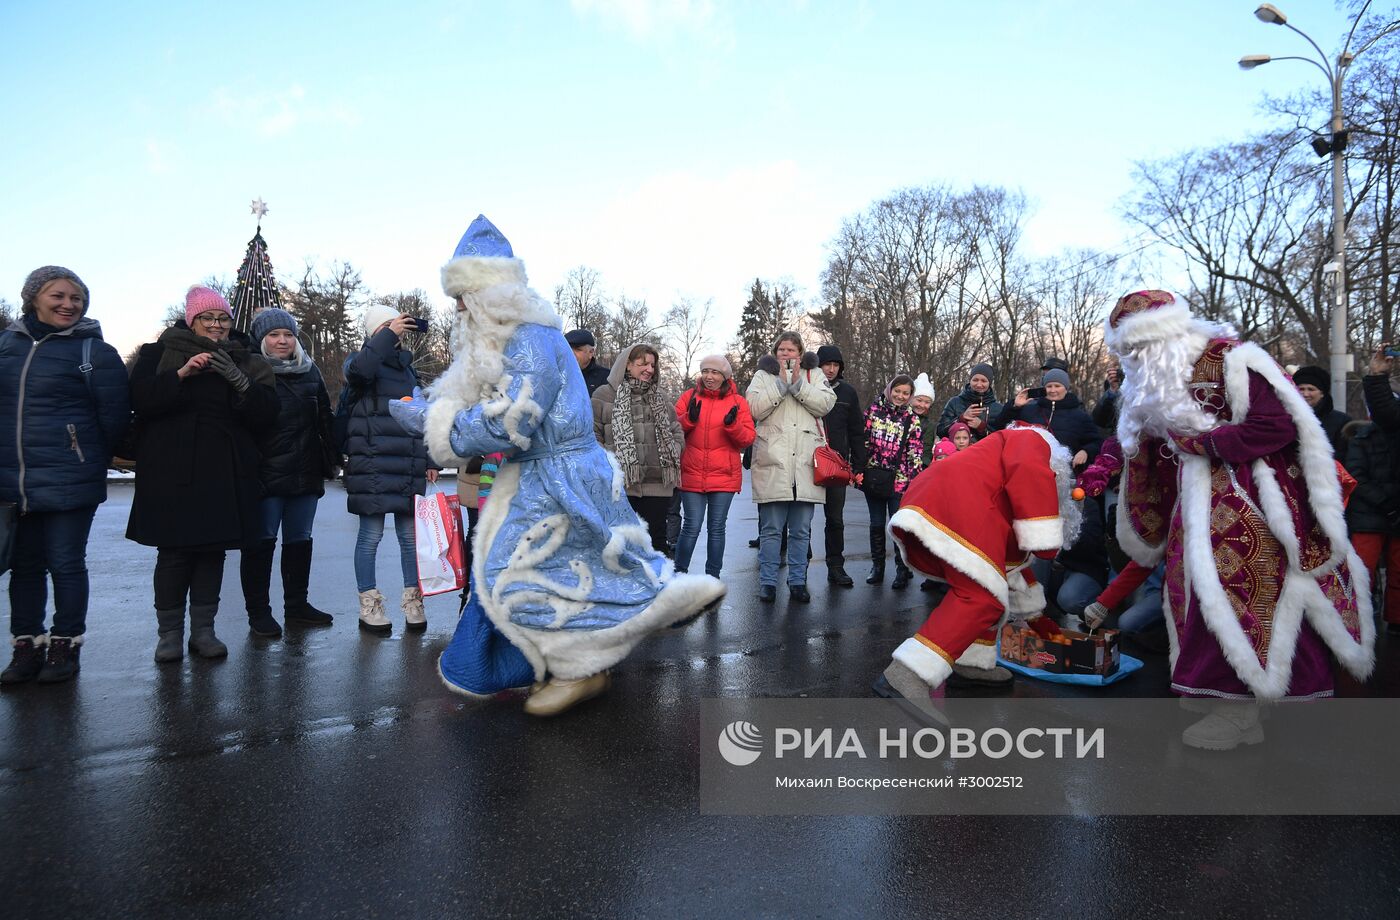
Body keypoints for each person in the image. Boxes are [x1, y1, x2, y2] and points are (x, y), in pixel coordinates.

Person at [391, 214, 725, 716]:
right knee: (568, 568)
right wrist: (438, 407)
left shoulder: (525, 337)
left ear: (488, 293)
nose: (458, 308)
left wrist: (433, 424)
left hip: (555, 477)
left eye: (463, 296)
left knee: (521, 574)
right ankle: (599, 649)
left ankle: (590, 657)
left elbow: (511, 420)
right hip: (550, 474)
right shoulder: (513, 337)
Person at [1105, 289, 1373, 749]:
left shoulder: (1232, 360)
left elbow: (1279, 425)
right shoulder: (1156, 380)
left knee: (1239, 597)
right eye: (1129, 352)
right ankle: (1225, 702)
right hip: (1190, 513)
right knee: (1193, 599)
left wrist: (1205, 444)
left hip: (1249, 505)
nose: (1138, 359)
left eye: (1142, 347)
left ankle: (1238, 709)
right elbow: (1149, 442)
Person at [874, 424, 1080, 707]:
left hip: (942, 500)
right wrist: (1045, 536)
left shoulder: (996, 469)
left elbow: (1009, 569)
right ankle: (909, 673)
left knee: (988, 587)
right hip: (958, 505)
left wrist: (1037, 618)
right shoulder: (1032, 440)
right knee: (982, 597)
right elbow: (1030, 472)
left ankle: (972, 662)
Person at [126, 286, 278, 663]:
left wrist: (240, 382)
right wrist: (179, 376)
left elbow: (268, 416)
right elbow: (141, 401)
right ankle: (169, 634)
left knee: (212, 552)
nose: (215, 326)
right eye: (207, 318)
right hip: (170, 468)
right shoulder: (158, 353)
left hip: (225, 470)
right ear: (191, 320)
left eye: (222, 319)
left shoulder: (249, 360)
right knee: (174, 554)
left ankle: (204, 631)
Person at [0, 266, 130, 684]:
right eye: (58, 295)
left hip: (70, 476)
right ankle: (26, 645)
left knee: (66, 563)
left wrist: (86, 456)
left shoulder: (94, 352)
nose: (68, 304)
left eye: (76, 298)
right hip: (13, 478)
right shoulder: (7, 346)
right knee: (25, 566)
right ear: (33, 297)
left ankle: (65, 644)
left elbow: (114, 419)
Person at [240, 308, 337, 639]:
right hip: (265, 474)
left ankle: (297, 605)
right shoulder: (249, 369)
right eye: (274, 334)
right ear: (261, 338)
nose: (282, 340)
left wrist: (335, 456)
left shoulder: (311, 371)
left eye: (288, 334)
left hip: (305, 471)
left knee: (299, 541)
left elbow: (325, 416)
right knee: (261, 543)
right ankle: (259, 612)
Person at [343, 303, 439, 635]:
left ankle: (413, 601)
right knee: (370, 537)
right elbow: (360, 373)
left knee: (410, 539)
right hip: (372, 463)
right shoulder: (358, 365)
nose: (397, 329)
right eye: (387, 326)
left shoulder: (409, 370)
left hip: (407, 462)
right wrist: (386, 334)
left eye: (398, 324)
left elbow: (421, 414)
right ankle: (369, 605)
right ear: (374, 334)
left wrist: (430, 458)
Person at [746, 332, 836, 604]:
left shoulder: (814, 374)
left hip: (805, 465)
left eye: (791, 350)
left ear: (800, 353)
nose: (786, 354)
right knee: (771, 530)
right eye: (781, 350)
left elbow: (825, 404)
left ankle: (798, 581)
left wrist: (798, 384)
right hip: (773, 461)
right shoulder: (762, 376)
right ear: (775, 353)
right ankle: (768, 583)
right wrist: (781, 384)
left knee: (801, 530)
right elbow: (753, 409)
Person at [592, 343, 684, 554]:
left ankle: (660, 587)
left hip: (657, 484)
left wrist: (674, 449)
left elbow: (675, 430)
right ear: (627, 365)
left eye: (652, 365)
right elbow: (592, 433)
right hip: (619, 485)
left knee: (656, 545)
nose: (649, 369)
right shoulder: (604, 395)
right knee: (620, 546)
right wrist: (606, 461)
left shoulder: (660, 396)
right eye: (643, 363)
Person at [673, 354, 755, 577]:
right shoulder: (688, 397)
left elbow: (747, 438)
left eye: (715, 372)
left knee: (716, 529)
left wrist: (732, 426)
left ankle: (713, 577)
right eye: (706, 371)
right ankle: (679, 574)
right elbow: (671, 430)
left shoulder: (738, 402)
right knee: (691, 527)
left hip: (724, 476)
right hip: (692, 472)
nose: (709, 376)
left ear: (725, 376)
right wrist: (688, 419)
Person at [857, 374, 924, 589]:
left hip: (900, 481)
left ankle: (902, 569)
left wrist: (915, 480)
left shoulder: (912, 419)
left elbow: (915, 452)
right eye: (898, 391)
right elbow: (862, 442)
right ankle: (877, 567)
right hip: (875, 478)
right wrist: (860, 469)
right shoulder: (873, 412)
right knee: (876, 524)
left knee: (897, 527)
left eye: (906, 393)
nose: (901, 396)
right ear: (889, 390)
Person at [1351, 344, 1400, 636]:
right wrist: (1378, 377)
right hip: (1371, 513)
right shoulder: (1363, 436)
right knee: (1362, 570)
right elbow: (1358, 477)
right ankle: (1355, 619)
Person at [815, 344, 864, 587]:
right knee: (799, 520)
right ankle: (797, 567)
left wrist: (859, 463)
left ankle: (836, 566)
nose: (831, 369)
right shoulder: (807, 388)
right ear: (818, 365)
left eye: (836, 365)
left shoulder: (847, 393)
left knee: (835, 519)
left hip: (837, 464)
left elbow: (856, 430)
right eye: (827, 365)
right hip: (808, 462)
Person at [1292, 364, 1351, 458]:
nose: (1305, 394)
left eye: (1311, 389)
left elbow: (1345, 456)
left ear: (1322, 393)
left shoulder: (1342, 422)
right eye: (1301, 389)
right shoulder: (1285, 418)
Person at [937, 363, 1002, 443]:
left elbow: (1001, 439)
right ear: (970, 380)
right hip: (958, 454)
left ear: (990, 383)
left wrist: (982, 427)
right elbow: (940, 431)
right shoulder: (955, 402)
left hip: (985, 454)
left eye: (983, 381)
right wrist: (961, 419)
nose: (979, 384)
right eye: (975, 380)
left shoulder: (998, 409)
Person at [566, 328, 611, 396]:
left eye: (578, 349)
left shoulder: (607, 378)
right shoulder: (558, 376)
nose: (571, 354)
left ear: (591, 352)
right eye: (568, 348)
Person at [910, 372, 938, 468]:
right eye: (919, 400)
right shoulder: (900, 417)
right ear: (911, 399)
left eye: (927, 402)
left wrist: (922, 466)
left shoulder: (929, 426)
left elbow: (927, 451)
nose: (922, 405)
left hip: (917, 467)